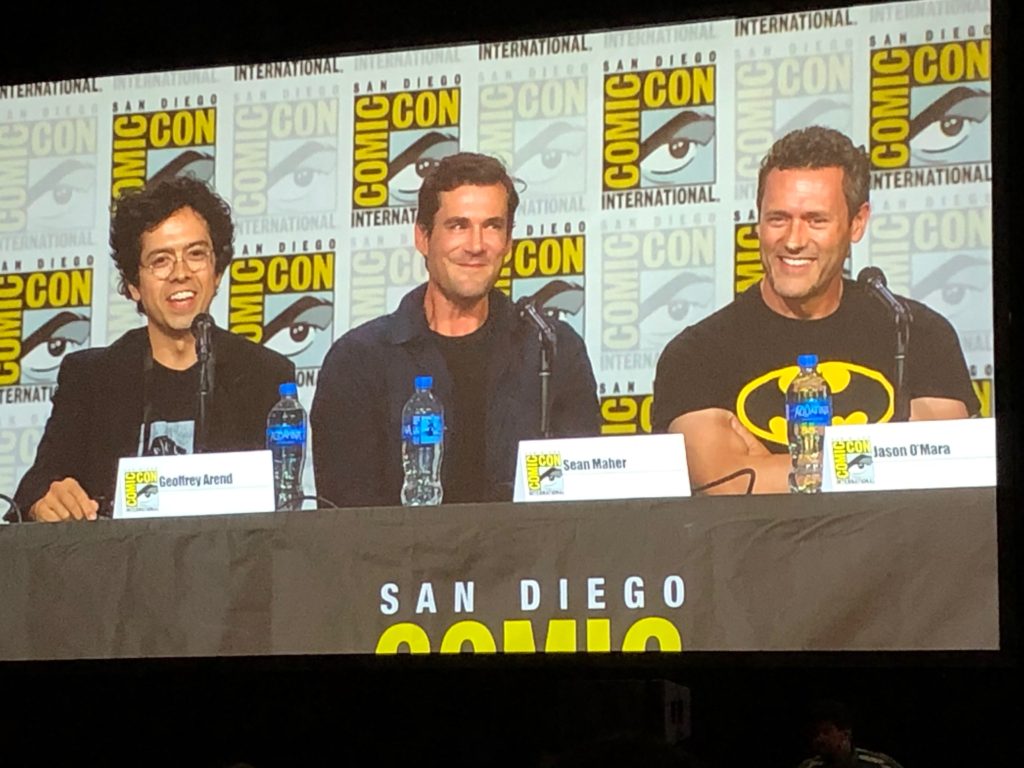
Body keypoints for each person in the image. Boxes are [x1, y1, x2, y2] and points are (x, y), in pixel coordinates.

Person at [652, 126, 976, 494]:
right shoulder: (697, 354)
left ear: (857, 222)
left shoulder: (915, 333)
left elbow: (943, 468)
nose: (793, 240)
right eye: (778, 218)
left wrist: (787, 465)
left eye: (816, 220)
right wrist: (881, 457)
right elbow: (725, 481)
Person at [311, 152, 599, 506]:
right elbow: (345, 516)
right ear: (422, 237)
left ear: (508, 242)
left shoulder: (551, 348)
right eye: (458, 226)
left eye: (492, 226)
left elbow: (582, 504)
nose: (476, 245)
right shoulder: (359, 360)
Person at [11, 177, 294, 522]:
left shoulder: (263, 374)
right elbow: (36, 487)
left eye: (196, 254)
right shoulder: (91, 378)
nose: (180, 273)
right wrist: (45, 502)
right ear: (134, 285)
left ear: (217, 271)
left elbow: (282, 508)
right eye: (160, 260)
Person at [798, 700, 904, 768]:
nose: (819, 739)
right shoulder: (808, 766)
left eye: (826, 732)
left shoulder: (878, 764)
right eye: (816, 733)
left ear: (845, 734)